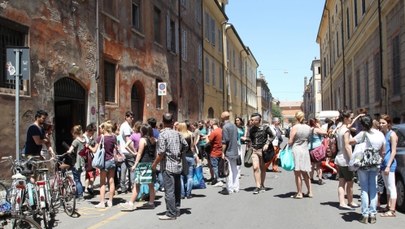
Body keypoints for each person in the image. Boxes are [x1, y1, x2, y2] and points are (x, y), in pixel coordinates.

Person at [152, 113, 188, 220]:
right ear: (172, 121)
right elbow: (186, 145)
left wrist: (155, 164)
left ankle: (171, 213)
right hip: (177, 164)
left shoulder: (162, 135)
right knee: (176, 189)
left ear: (163, 122)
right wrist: (180, 153)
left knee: (169, 191)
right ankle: (176, 209)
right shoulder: (178, 134)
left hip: (167, 166)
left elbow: (161, 152)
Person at [350, 115, 385, 224]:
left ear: (362, 125)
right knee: (373, 189)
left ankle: (365, 214)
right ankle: (373, 214)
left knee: (364, 189)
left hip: (363, 165)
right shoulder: (380, 134)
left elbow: (350, 142)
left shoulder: (362, 134)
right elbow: (382, 151)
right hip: (375, 164)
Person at [121, 123, 157, 210]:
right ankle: (151, 202)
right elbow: (155, 153)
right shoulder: (154, 140)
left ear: (143, 131)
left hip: (143, 164)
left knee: (137, 184)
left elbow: (139, 153)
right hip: (151, 163)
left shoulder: (142, 140)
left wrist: (135, 164)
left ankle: (130, 203)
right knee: (151, 185)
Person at [335, 110, 358, 209]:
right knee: (350, 182)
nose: (352, 119)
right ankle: (350, 201)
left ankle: (342, 202)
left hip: (339, 157)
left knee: (341, 181)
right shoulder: (346, 131)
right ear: (345, 118)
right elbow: (347, 145)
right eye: (351, 118)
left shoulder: (340, 128)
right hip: (345, 159)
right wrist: (352, 159)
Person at [91, 121, 117, 208]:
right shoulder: (113, 137)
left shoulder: (100, 138)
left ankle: (102, 202)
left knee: (102, 183)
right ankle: (110, 201)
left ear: (104, 129)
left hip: (104, 162)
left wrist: (88, 146)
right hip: (112, 161)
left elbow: (94, 150)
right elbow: (116, 148)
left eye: (101, 128)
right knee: (111, 181)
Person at [288, 111, 312, 199]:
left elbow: (290, 141)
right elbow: (309, 139)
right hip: (305, 149)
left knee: (297, 173)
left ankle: (299, 193)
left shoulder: (295, 127)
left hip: (296, 150)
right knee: (305, 172)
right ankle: (310, 191)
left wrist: (289, 143)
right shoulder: (308, 127)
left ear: (296, 117)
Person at [248, 113, 274, 194]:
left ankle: (262, 184)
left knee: (262, 168)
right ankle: (257, 186)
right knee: (255, 167)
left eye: (252, 120)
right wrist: (247, 141)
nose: (251, 121)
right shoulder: (251, 129)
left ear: (258, 120)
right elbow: (251, 140)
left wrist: (267, 143)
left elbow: (272, 136)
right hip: (254, 150)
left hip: (263, 151)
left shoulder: (265, 127)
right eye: (251, 119)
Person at [379, 114, 398, 217]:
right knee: (387, 186)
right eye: (380, 123)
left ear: (388, 124)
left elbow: (393, 151)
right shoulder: (382, 134)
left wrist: (388, 166)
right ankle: (388, 205)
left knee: (391, 187)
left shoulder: (392, 134)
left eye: (383, 123)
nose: (381, 124)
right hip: (383, 163)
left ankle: (392, 209)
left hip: (389, 164)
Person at [219, 111, 239, 195]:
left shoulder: (225, 127)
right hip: (235, 150)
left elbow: (224, 141)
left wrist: (222, 152)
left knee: (228, 170)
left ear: (223, 117)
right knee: (235, 170)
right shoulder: (234, 126)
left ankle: (229, 188)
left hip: (228, 151)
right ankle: (236, 187)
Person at [65, 125, 86, 200]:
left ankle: (80, 195)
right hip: (82, 161)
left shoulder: (76, 141)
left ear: (74, 133)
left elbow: (70, 150)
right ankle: (78, 193)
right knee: (79, 178)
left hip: (77, 162)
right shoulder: (84, 140)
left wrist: (68, 151)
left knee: (77, 180)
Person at [177, 122, 197, 199]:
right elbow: (192, 147)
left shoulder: (178, 136)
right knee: (190, 176)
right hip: (190, 156)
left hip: (182, 158)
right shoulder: (190, 135)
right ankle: (188, 194)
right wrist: (195, 156)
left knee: (181, 176)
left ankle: (182, 194)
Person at [308, 118, 328, 185]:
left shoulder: (309, 129)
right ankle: (320, 179)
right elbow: (325, 132)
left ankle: (311, 178)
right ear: (315, 123)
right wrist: (319, 126)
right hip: (317, 148)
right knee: (319, 165)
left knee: (312, 164)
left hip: (310, 148)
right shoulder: (316, 130)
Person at [119, 111, 135, 193]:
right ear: (126, 117)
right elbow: (128, 140)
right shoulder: (126, 127)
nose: (132, 119)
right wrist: (133, 151)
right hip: (128, 151)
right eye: (130, 117)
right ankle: (132, 186)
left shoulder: (124, 125)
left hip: (123, 151)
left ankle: (123, 187)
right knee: (132, 169)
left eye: (132, 117)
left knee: (123, 169)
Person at [205, 119, 223, 187]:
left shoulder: (214, 132)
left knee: (214, 166)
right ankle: (217, 178)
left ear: (212, 123)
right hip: (220, 151)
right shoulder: (221, 130)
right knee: (219, 166)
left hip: (214, 151)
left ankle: (218, 180)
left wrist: (207, 137)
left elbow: (208, 142)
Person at [83, 123, 97, 195]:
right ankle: (90, 187)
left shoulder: (88, 137)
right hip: (88, 158)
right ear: (89, 130)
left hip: (89, 157)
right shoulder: (84, 138)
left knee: (88, 173)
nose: (93, 134)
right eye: (92, 132)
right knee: (92, 173)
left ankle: (87, 188)